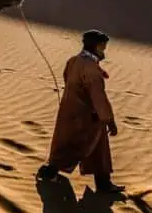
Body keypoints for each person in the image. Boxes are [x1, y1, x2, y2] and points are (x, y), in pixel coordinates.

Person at [36, 29, 124, 194]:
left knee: (98, 148)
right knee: (74, 147)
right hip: (86, 117)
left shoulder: (74, 61)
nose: (104, 52)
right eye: (102, 48)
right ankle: (49, 172)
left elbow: (67, 79)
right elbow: (98, 97)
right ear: (95, 47)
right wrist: (109, 120)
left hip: (71, 112)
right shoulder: (90, 69)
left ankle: (104, 184)